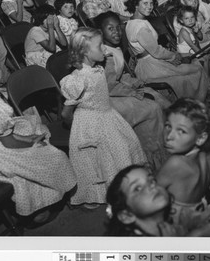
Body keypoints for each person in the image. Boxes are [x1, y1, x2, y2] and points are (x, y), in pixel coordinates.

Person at [0, 47, 77, 217]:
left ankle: (44, 200)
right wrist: (31, 141)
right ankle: (46, 205)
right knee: (53, 158)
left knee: (32, 129)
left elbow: (3, 133)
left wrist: (27, 137)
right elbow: (9, 142)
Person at [60, 28, 146, 207]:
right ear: (84, 52)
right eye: (100, 46)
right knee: (104, 157)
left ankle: (125, 184)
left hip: (108, 115)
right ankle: (116, 190)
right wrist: (80, 130)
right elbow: (66, 113)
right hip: (90, 122)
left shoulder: (97, 68)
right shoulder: (77, 80)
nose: (106, 50)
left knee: (121, 148)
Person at [95, 12, 169, 168]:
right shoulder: (104, 54)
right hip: (107, 98)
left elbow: (119, 76)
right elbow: (109, 85)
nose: (116, 32)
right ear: (101, 33)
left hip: (116, 91)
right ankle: (152, 154)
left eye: (118, 28)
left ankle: (160, 144)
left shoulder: (114, 48)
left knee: (156, 96)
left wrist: (135, 82)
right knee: (152, 108)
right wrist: (132, 92)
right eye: (110, 28)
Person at [124, 0, 210, 102]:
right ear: (136, 5)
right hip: (150, 66)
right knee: (194, 72)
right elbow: (156, 52)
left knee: (193, 69)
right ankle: (195, 102)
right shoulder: (140, 27)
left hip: (151, 61)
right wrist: (174, 56)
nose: (149, 7)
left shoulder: (133, 22)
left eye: (151, 3)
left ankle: (199, 99)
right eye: (145, 3)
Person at [156, 98, 210, 225]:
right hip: (193, 225)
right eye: (168, 126)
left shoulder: (176, 163)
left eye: (181, 131)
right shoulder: (207, 157)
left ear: (201, 138)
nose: (169, 136)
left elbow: (145, 202)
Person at [105, 164, 210, 236]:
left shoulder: (172, 220)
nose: (151, 187)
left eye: (151, 180)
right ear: (127, 215)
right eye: (137, 188)